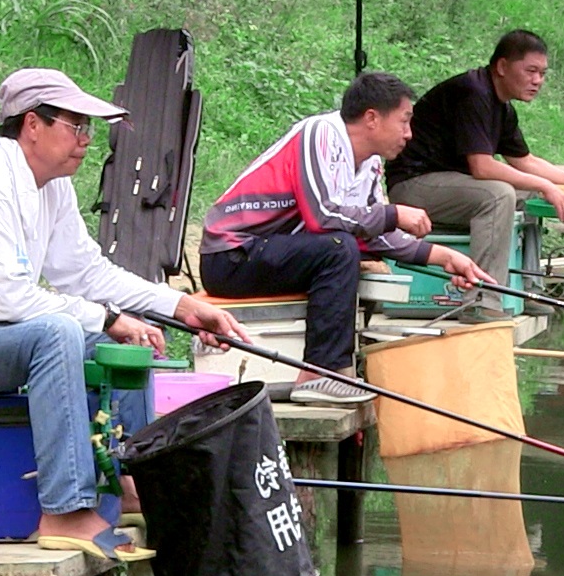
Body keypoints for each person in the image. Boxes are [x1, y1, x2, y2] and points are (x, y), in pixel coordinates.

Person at [0, 67, 250, 560]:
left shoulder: (50, 184)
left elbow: (87, 272)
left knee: (123, 345)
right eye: (76, 126)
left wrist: (182, 305)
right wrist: (106, 316)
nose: (86, 141)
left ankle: (130, 480)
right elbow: (9, 302)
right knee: (59, 334)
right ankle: (66, 510)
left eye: (88, 129)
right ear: (32, 124)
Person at [199, 72, 491, 405]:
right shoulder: (319, 134)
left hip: (276, 252)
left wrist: (441, 256)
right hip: (231, 254)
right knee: (339, 248)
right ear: (372, 118)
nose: (409, 134)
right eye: (404, 122)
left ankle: (339, 371)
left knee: (345, 246)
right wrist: (394, 214)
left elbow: (370, 232)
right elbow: (322, 216)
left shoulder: (370, 165)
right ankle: (319, 373)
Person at [386, 29, 564, 305]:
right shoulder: (473, 92)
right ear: (502, 66)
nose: (537, 80)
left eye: (543, 73)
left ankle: (528, 289)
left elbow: (525, 161)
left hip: (450, 184)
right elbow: (482, 167)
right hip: (414, 186)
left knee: (532, 196)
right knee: (499, 195)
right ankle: (483, 300)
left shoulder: (502, 107)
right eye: (531, 71)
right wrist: (545, 185)